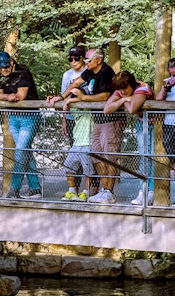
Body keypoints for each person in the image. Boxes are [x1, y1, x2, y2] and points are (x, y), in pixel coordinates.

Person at [49, 48, 119, 204]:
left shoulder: (106, 72)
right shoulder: (90, 71)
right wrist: (61, 97)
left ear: (98, 60)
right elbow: (77, 82)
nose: (85, 63)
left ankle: (109, 192)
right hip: (99, 120)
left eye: (88, 60)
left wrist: (82, 98)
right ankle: (103, 190)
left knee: (109, 156)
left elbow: (105, 96)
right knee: (97, 157)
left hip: (111, 119)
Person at [0, 50, 42, 199]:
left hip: (29, 116)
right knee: (25, 151)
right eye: (0, 68)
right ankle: (35, 189)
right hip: (13, 116)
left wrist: (10, 97)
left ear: (12, 63)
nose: (3, 71)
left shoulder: (23, 72)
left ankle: (14, 189)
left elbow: (21, 96)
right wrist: (7, 96)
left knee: (21, 151)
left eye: (6, 67)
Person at [104, 71, 154, 205]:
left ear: (131, 84)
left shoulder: (142, 88)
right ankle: (142, 191)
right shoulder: (122, 92)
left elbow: (132, 109)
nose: (123, 91)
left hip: (156, 126)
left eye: (125, 88)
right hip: (141, 124)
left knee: (154, 158)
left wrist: (123, 101)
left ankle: (152, 191)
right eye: (120, 89)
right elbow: (107, 109)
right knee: (144, 157)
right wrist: (123, 99)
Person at [60, 105, 94, 201]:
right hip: (76, 144)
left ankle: (85, 193)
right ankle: (72, 191)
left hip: (88, 144)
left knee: (88, 170)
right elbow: (63, 108)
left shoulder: (89, 109)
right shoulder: (75, 110)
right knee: (68, 167)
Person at [60, 45, 87, 143]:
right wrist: (64, 121)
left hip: (86, 117)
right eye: (70, 59)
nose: (73, 62)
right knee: (73, 145)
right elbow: (63, 97)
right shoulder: (66, 75)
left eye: (76, 58)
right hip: (70, 117)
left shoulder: (89, 72)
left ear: (83, 58)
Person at [156, 58, 175, 177]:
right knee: (169, 148)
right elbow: (158, 99)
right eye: (171, 67)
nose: (172, 69)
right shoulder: (167, 81)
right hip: (169, 122)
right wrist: (167, 87)